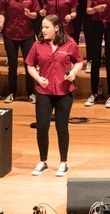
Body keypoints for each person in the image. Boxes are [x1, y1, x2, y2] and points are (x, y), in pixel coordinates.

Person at [26, 14, 84, 177]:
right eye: (42, 27)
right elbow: (29, 64)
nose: (43, 30)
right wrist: (38, 78)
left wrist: (73, 72)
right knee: (42, 127)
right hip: (44, 92)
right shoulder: (38, 45)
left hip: (64, 91)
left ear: (56, 28)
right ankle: (43, 161)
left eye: (46, 27)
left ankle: (63, 163)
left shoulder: (69, 43)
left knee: (62, 128)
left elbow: (79, 61)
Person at [0, 0, 40, 103]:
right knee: (12, 64)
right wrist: (1, 23)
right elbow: (2, 12)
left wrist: (30, 15)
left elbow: (36, 14)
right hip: (10, 33)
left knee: (29, 64)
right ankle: (11, 93)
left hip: (27, 33)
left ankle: (31, 93)